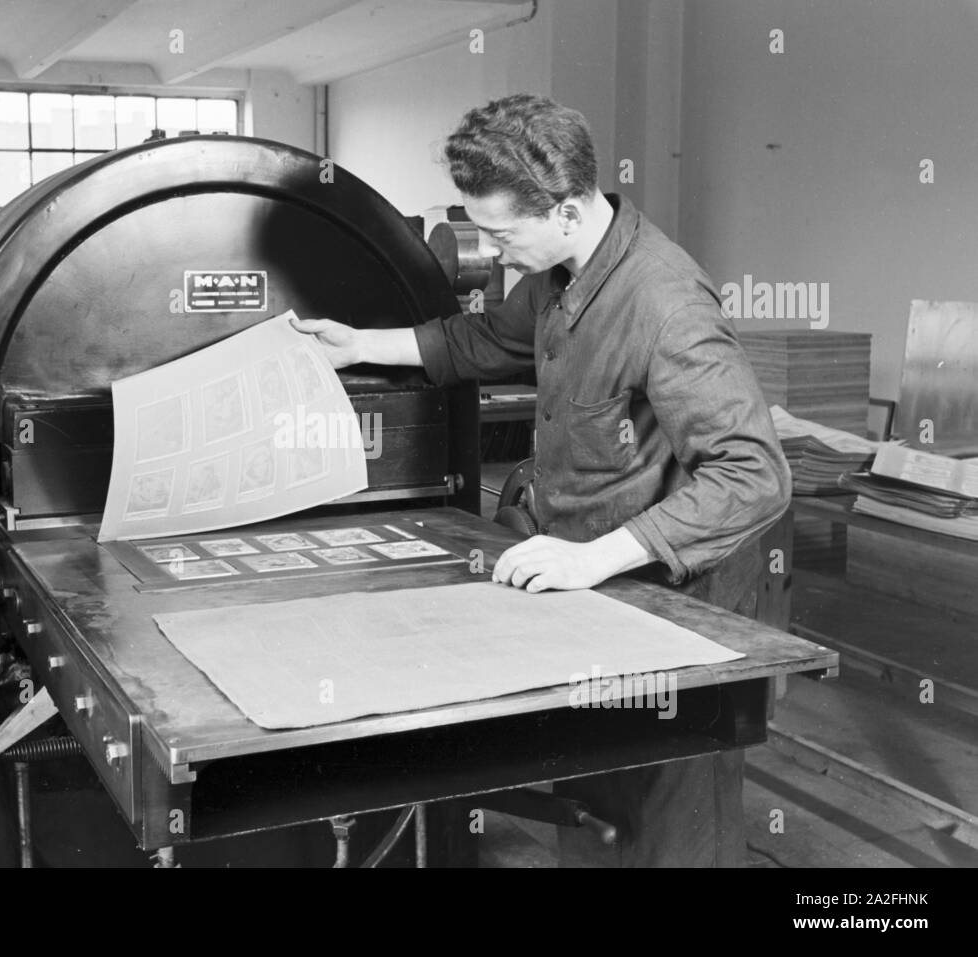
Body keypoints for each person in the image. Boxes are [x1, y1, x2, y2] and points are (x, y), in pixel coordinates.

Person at [291, 94, 790, 867]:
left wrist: (592, 557)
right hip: (589, 594)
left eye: (497, 233)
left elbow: (755, 475)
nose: (489, 253)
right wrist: (356, 344)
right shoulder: (559, 274)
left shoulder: (663, 302)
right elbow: (479, 339)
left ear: (563, 208)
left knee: (669, 826)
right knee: (592, 808)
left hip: (672, 609)